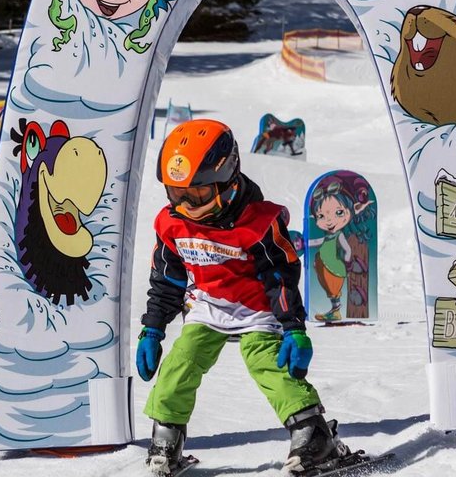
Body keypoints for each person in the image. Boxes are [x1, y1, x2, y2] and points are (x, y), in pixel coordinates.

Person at [137, 119, 350, 476]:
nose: (187, 204)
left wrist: (293, 328)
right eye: (177, 193)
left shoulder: (258, 224)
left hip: (257, 309)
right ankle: (165, 439)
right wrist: (153, 329)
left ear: (228, 182)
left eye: (199, 194)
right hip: (208, 306)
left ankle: (313, 435)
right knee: (181, 363)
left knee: (267, 364)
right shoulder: (172, 224)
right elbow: (167, 280)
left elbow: (280, 278)